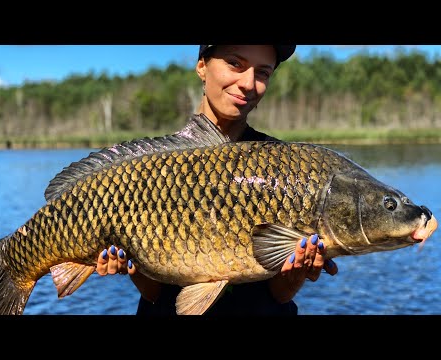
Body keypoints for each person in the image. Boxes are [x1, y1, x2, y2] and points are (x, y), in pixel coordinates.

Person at [96, 45, 339, 315]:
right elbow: (155, 294)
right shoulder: (151, 169)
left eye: (262, 73)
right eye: (235, 64)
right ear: (202, 66)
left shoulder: (287, 167)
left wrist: (296, 274)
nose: (248, 83)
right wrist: (133, 267)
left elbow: (279, 295)